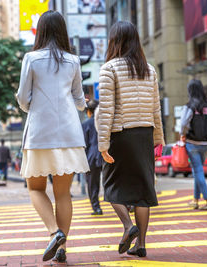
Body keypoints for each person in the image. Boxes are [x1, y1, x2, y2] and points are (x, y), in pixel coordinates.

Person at [16, 10, 89, 263]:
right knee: (63, 194)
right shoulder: (73, 61)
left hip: (39, 133)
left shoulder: (31, 58)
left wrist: (32, 107)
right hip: (69, 132)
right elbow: (80, 101)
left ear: (41, 31)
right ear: (63, 32)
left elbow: (24, 99)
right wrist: (79, 103)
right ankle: (62, 248)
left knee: (35, 188)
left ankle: (53, 231)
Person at [97, 21, 164, 258]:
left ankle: (128, 226)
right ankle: (142, 244)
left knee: (111, 184)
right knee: (144, 189)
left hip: (121, 134)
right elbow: (156, 108)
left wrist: (103, 144)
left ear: (114, 41)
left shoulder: (109, 68)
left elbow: (106, 111)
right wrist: (158, 139)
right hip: (145, 134)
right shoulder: (150, 70)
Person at [180, 79, 207, 210]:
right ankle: (195, 200)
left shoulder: (190, 106)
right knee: (198, 170)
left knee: (198, 170)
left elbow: (183, 123)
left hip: (192, 143)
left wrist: (183, 134)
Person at [82, 99, 103, 215]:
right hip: (107, 154)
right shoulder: (105, 121)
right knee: (112, 181)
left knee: (92, 184)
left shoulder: (85, 125)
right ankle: (126, 205)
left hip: (91, 157)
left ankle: (97, 208)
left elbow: (84, 143)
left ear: (89, 112)